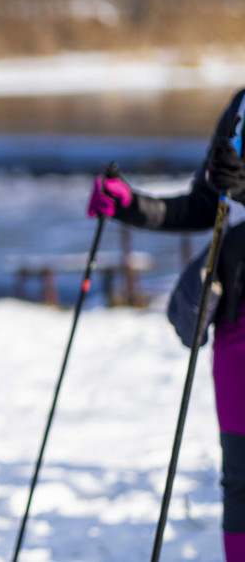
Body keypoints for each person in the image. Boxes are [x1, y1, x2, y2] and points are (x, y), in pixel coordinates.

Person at [87, 88, 245, 561]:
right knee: (239, 479)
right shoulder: (241, 107)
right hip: (236, 320)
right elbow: (205, 205)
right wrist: (130, 204)